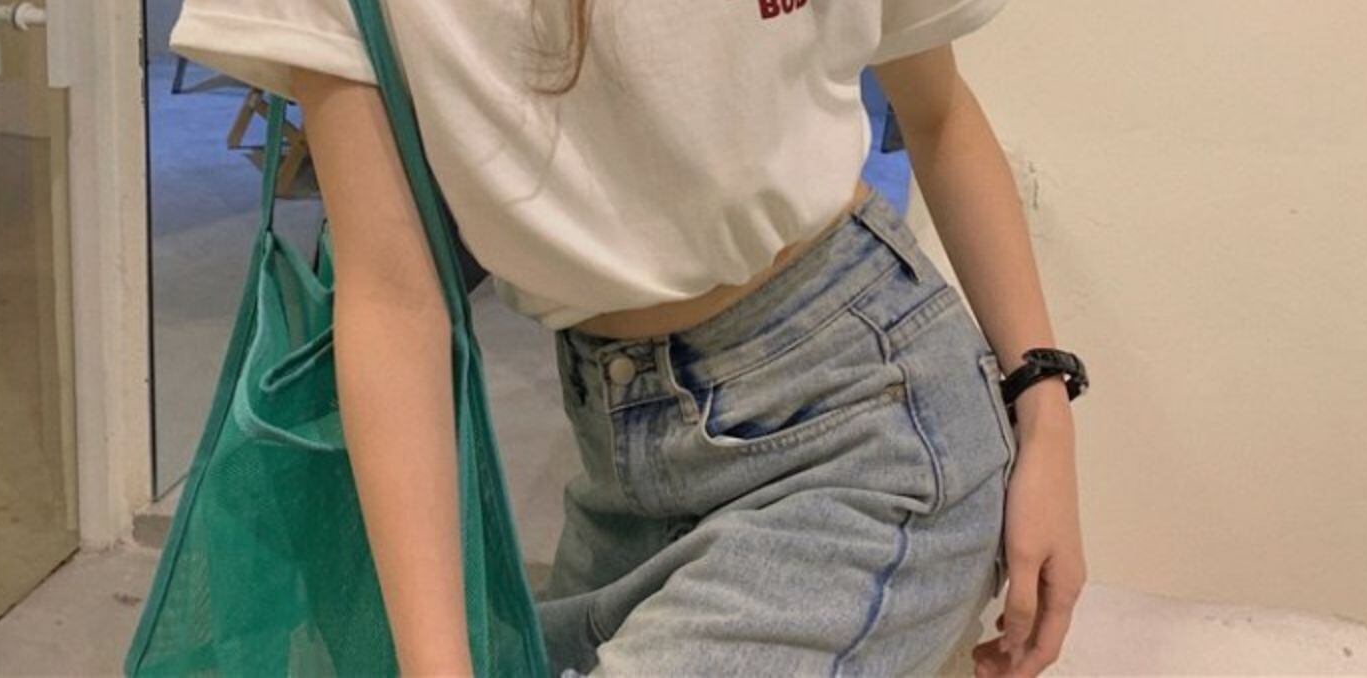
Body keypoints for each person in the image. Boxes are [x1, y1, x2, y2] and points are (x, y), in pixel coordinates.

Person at [168, 1, 1085, 675]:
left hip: (867, 415)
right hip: (618, 465)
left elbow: (939, 114)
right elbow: (391, 296)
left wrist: (1045, 415)